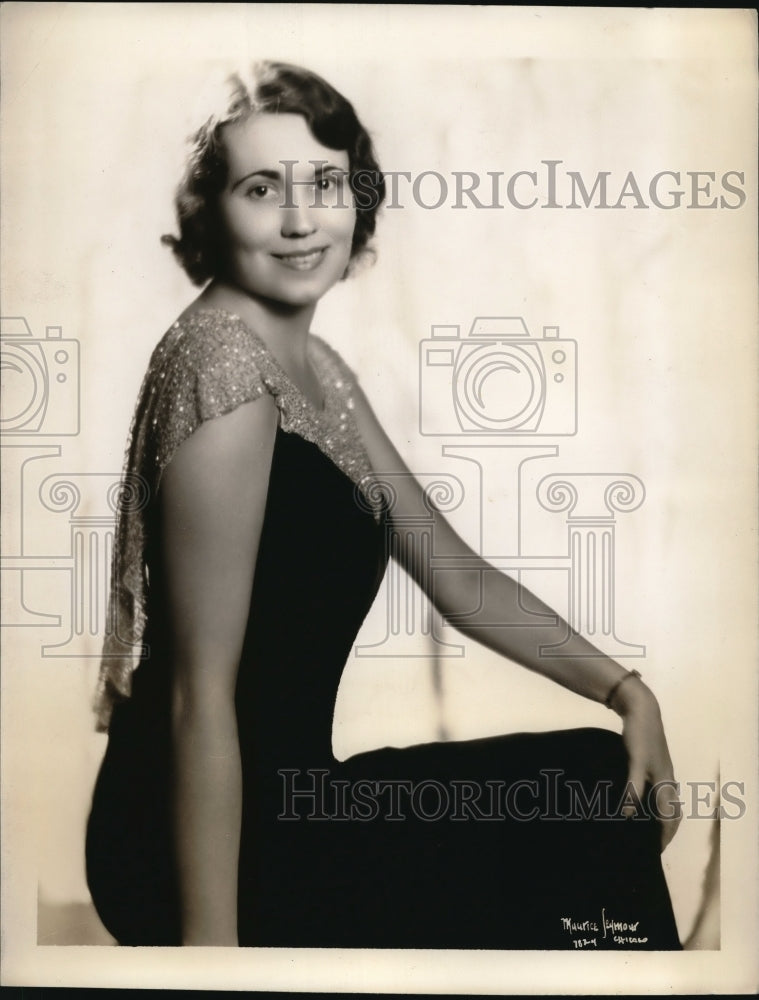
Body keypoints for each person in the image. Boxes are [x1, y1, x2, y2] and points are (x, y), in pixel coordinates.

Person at [86, 61, 682, 949]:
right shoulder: (219, 367)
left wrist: (628, 694)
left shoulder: (317, 373)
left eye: (324, 182)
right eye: (261, 189)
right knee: (572, 832)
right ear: (211, 210)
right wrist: (211, 960)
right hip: (199, 840)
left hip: (294, 802)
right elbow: (194, 698)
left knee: (591, 781)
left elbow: (454, 576)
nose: (300, 220)